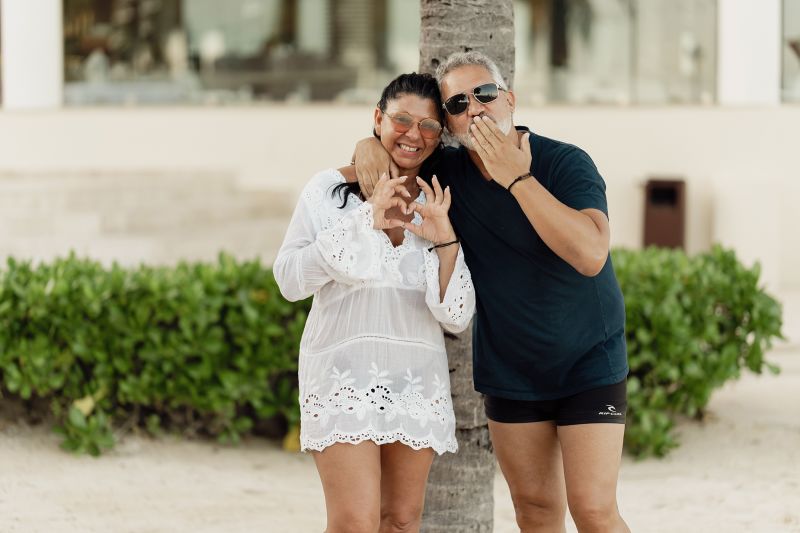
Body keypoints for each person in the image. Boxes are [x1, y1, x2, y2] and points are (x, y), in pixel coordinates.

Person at [353, 52, 631, 533]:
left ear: (509, 99)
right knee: (536, 511)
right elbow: (398, 153)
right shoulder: (449, 175)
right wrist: (367, 144)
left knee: (594, 511)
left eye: (483, 93)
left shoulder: (565, 162)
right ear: (450, 125)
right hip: (510, 368)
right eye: (457, 104)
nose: (474, 108)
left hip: (588, 359)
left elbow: (591, 254)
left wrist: (516, 178)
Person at [273, 73, 475, 533]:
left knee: (402, 521)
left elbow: (457, 316)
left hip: (416, 383)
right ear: (378, 118)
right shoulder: (327, 190)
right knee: (354, 523)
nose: (413, 134)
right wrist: (367, 216)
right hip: (342, 379)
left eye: (428, 127)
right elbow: (288, 280)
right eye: (402, 119)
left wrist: (445, 240)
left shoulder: (439, 201)